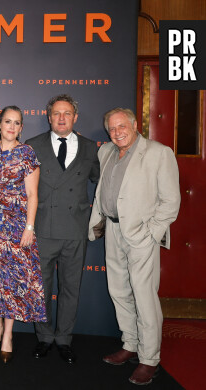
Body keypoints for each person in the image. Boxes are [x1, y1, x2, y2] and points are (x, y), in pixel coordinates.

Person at [89, 108, 180, 385]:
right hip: (113, 230)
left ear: (134, 125)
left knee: (144, 296)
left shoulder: (158, 153)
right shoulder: (105, 151)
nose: (117, 133)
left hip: (141, 235)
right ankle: (130, 344)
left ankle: (149, 358)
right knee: (118, 291)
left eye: (122, 127)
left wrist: (151, 233)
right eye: (112, 129)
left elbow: (170, 202)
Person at [25, 94, 100, 363]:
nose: (61, 118)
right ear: (48, 116)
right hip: (42, 229)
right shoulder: (32, 146)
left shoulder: (92, 148)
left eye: (67, 113)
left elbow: (100, 183)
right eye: (56, 113)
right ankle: (44, 337)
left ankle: (64, 339)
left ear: (75, 117)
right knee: (41, 288)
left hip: (75, 231)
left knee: (71, 288)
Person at [0, 106, 47, 363]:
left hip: (15, 227)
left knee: (11, 281)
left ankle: (8, 336)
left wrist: (29, 227)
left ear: (21, 127)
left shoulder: (27, 153)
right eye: (7, 122)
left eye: (16, 123)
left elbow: (33, 195)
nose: (11, 127)